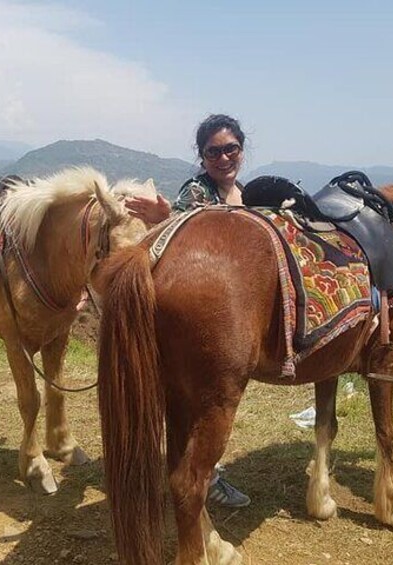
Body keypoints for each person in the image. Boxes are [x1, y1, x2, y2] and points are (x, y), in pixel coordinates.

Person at [126, 113, 251, 508]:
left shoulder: (243, 194)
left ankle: (198, 473)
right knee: (204, 400)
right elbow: (184, 236)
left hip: (233, 308)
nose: (223, 157)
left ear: (241, 151)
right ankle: (201, 477)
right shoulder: (197, 192)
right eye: (213, 151)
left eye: (230, 148)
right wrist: (167, 217)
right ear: (202, 157)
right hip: (204, 310)